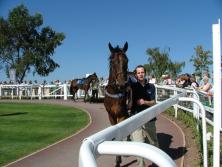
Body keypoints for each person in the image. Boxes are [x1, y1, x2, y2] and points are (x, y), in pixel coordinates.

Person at [130, 65, 159, 167]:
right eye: (138, 73)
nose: (140, 74)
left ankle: (156, 162)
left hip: (149, 118)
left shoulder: (151, 86)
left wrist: (145, 102)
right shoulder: (132, 87)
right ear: (136, 75)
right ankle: (141, 165)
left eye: (142, 72)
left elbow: (154, 102)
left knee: (153, 142)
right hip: (135, 119)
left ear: (145, 73)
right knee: (138, 145)